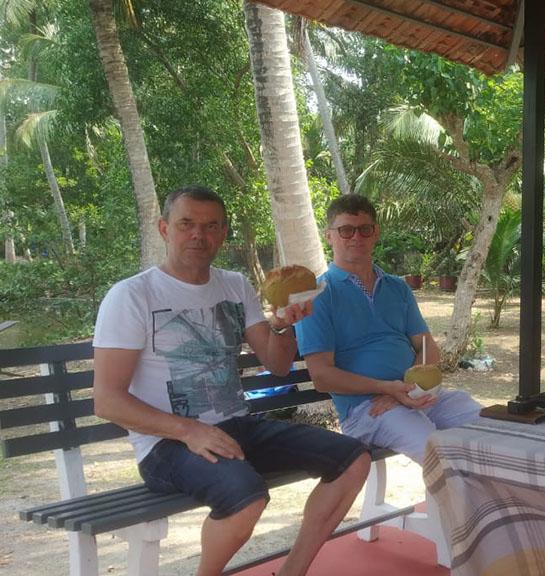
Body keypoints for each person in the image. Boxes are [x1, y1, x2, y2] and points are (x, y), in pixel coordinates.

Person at [92, 186, 370, 576]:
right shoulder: (132, 296)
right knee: (246, 496)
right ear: (164, 228)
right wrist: (188, 430)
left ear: (223, 233)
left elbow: (277, 364)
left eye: (211, 226)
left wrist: (285, 323)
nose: (198, 235)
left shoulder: (235, 285)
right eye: (186, 224)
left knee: (353, 459)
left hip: (237, 427)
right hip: (165, 445)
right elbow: (107, 400)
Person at [296, 194, 481, 464]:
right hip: (367, 410)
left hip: (417, 395)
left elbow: (428, 348)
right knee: (439, 453)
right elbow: (322, 376)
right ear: (329, 236)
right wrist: (388, 389)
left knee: (489, 428)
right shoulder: (317, 295)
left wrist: (406, 391)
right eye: (346, 230)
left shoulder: (397, 287)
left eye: (364, 229)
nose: (356, 237)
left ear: (376, 233)